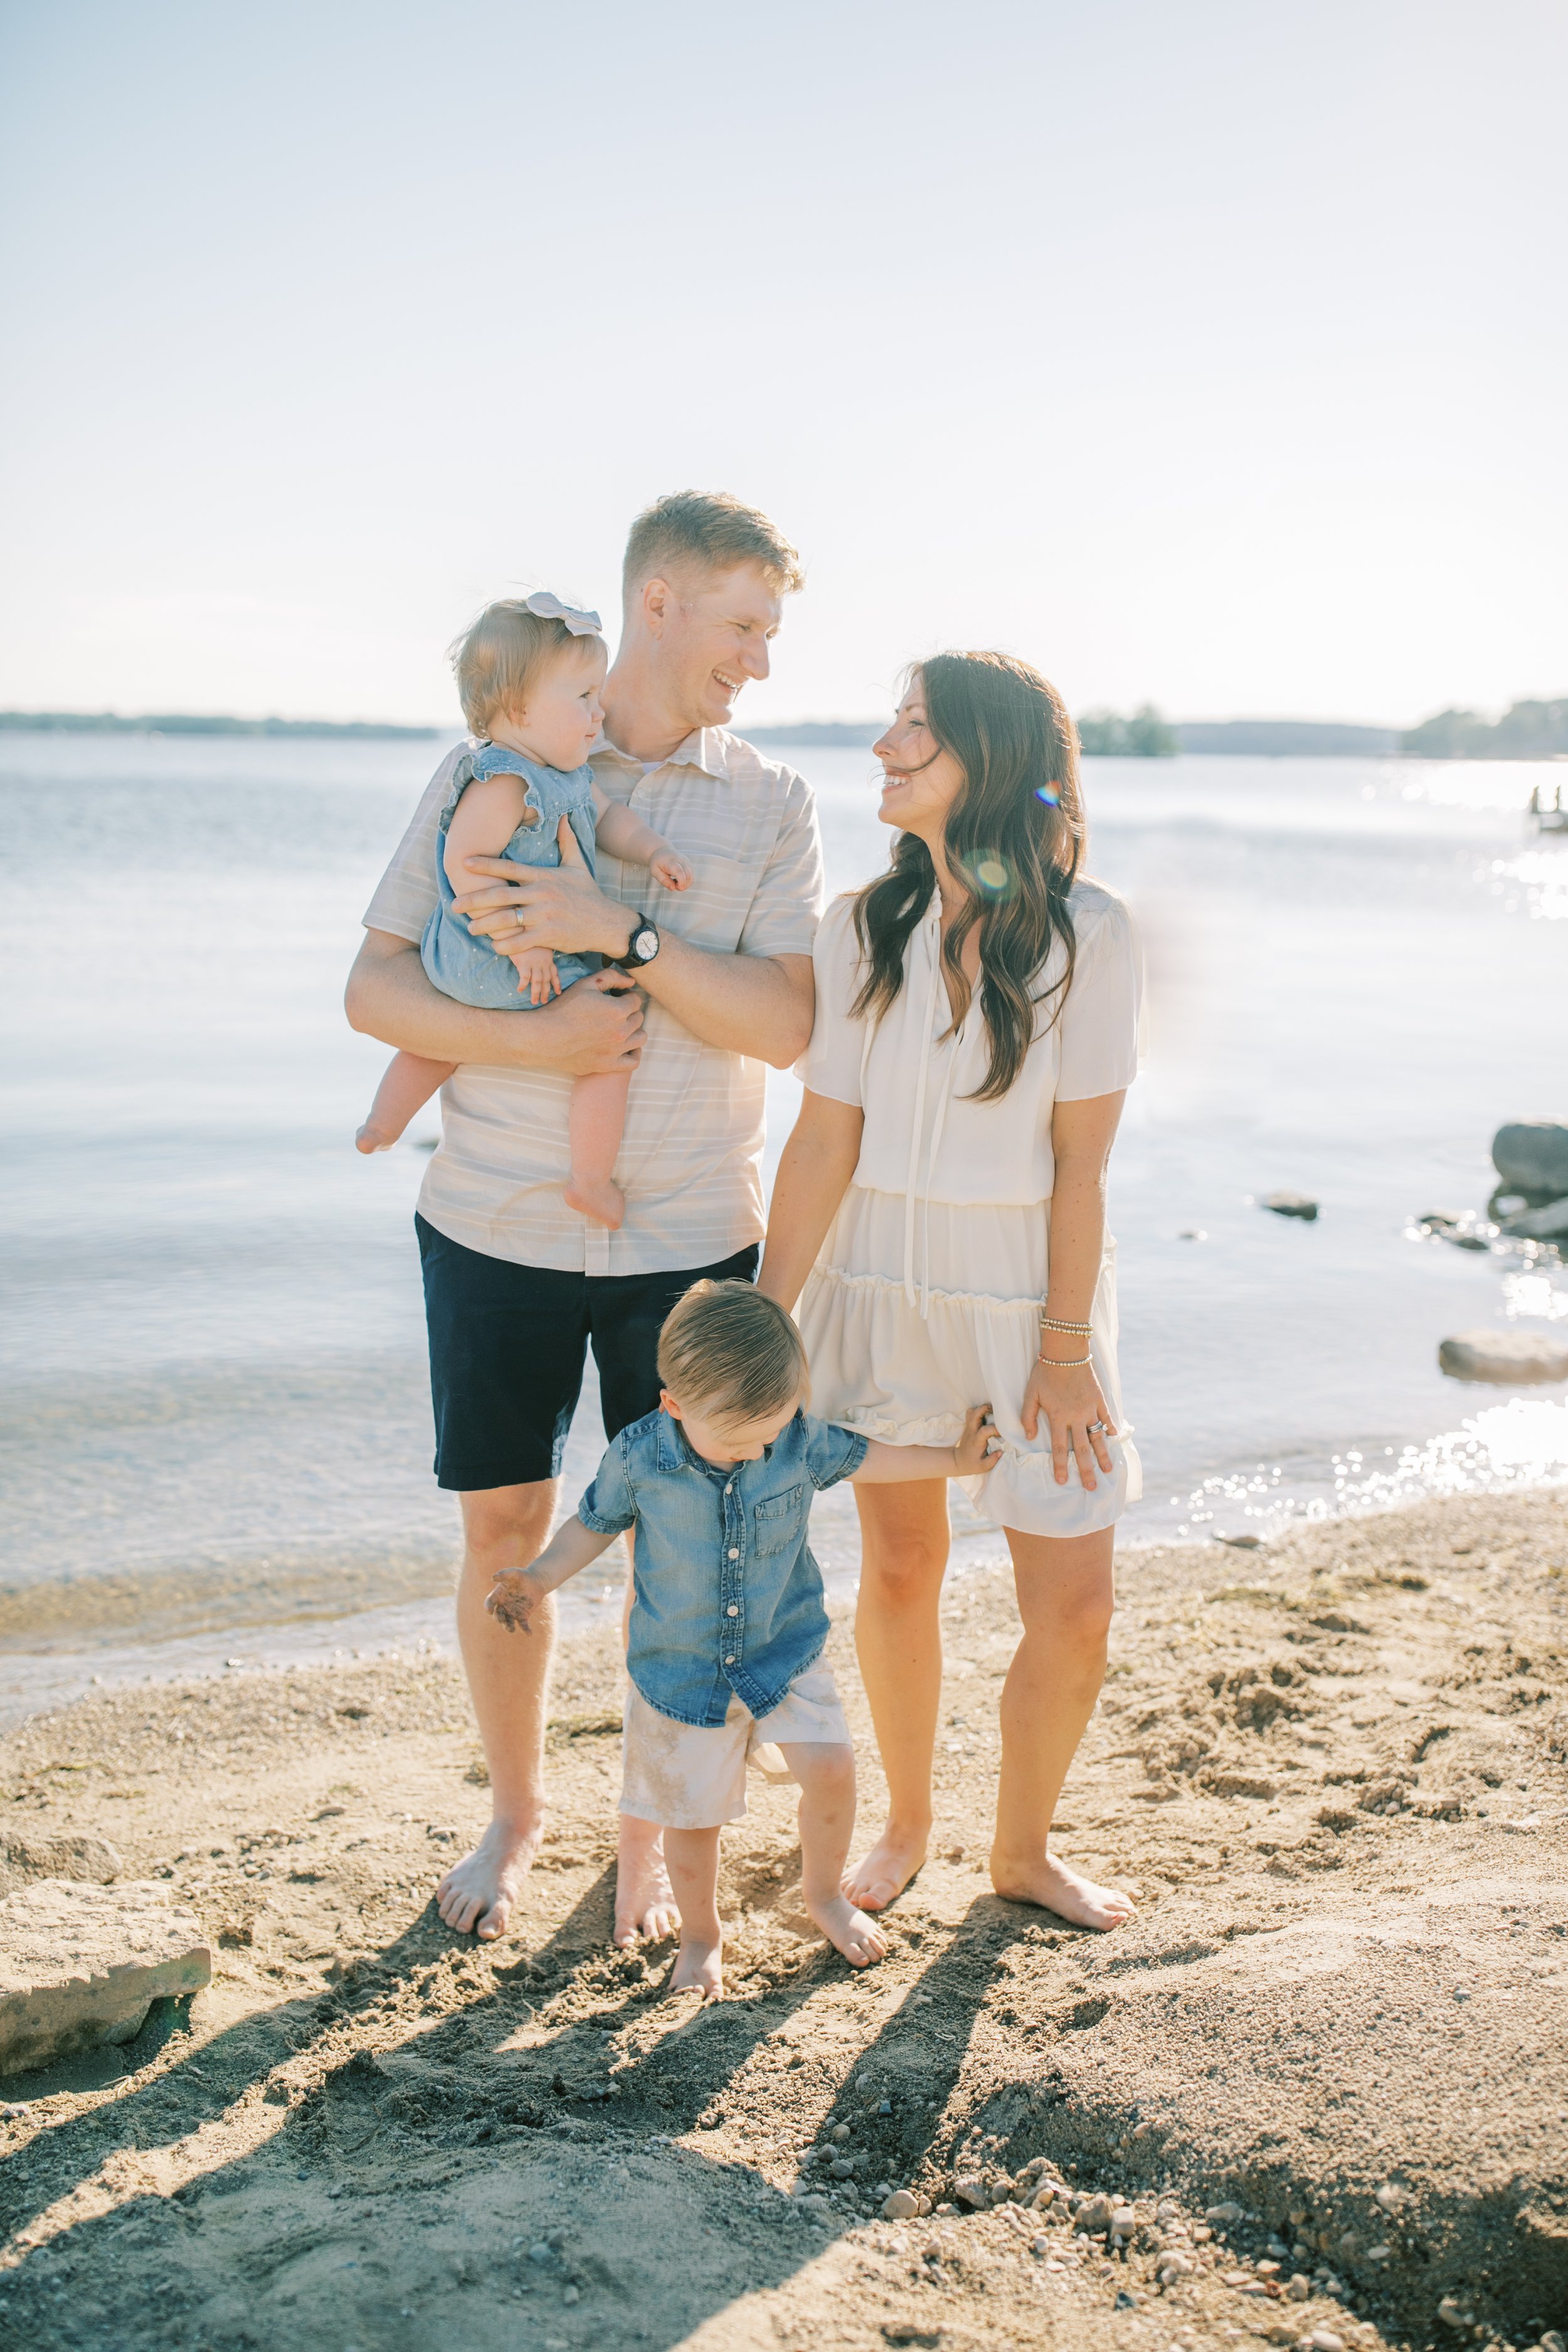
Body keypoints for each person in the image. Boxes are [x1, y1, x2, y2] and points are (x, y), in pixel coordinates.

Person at [345, 492, 822, 1944]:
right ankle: (515, 1811)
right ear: (660, 605)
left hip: (690, 1234)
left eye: (771, 631)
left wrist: (621, 934)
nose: (760, 659)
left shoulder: (772, 802)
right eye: (745, 624)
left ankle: (655, 1833)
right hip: (493, 1222)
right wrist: (540, 1047)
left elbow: (790, 1024)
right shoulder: (490, 762)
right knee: (504, 1528)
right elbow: (375, 990)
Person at [758, 650, 1143, 1933]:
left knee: (1075, 1608)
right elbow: (820, 1142)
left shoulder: (1089, 935)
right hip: (877, 1284)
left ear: (988, 755)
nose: (883, 746)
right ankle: (908, 1821)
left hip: (1029, 1301)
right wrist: (765, 1321)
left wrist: (1063, 1346)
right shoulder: (862, 925)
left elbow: (1080, 1167)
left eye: (914, 728)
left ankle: (1021, 1850)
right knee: (903, 1565)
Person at [484, 1280, 999, 2000]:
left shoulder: (793, 1440)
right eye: (738, 1437)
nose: (759, 1447)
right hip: (679, 1672)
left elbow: (870, 1458)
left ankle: (823, 1897)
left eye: (772, 1427)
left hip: (784, 1651)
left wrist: (956, 1459)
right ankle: (701, 1940)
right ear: (674, 1405)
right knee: (691, 1827)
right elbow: (590, 1526)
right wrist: (538, 1579)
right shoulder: (640, 1458)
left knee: (831, 1771)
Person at [355, 593, 692, 1230]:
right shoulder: (504, 780)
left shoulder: (565, 772)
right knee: (609, 1054)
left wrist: (655, 852)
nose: (601, 711)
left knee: (437, 1044)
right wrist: (524, 944)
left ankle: (384, 1124)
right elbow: (467, 867)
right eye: (584, 698)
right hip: (495, 955)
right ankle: (590, 1180)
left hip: (496, 965)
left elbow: (613, 820)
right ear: (517, 709)